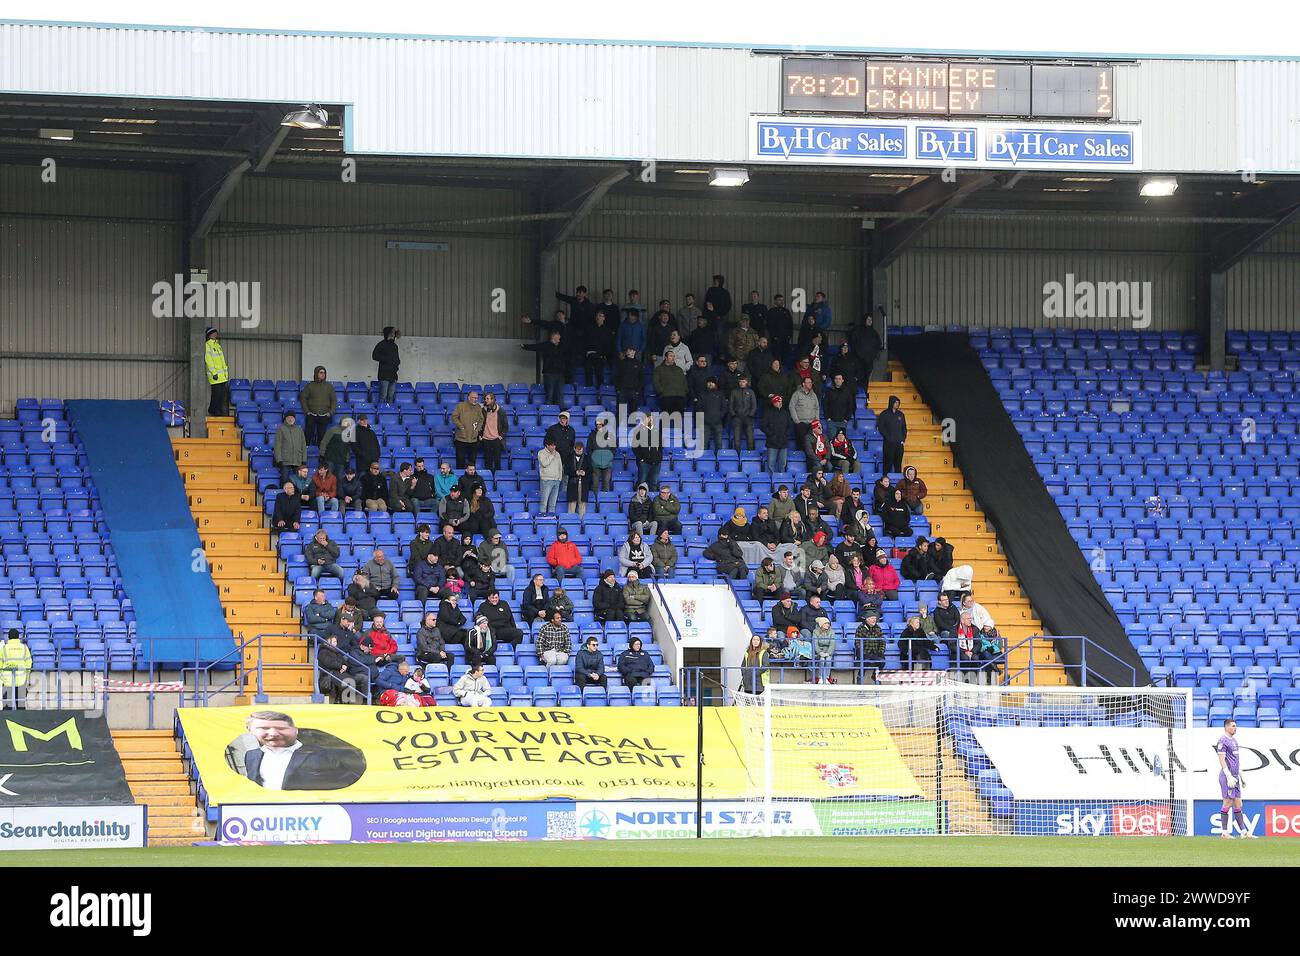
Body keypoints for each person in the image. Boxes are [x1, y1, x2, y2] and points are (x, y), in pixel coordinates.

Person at [241, 711, 365, 790]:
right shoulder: (251, 756)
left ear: (295, 730)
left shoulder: (324, 754)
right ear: (250, 730)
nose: (273, 734)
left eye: (281, 728)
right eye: (264, 728)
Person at [1217, 719, 1255, 839]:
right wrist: (1227, 774)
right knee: (1228, 802)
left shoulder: (1234, 740)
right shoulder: (1222, 740)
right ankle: (1224, 832)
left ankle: (1243, 832)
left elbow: (1235, 760)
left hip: (1235, 776)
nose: (1235, 728)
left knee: (1238, 803)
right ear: (1227, 727)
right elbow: (1222, 758)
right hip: (1228, 777)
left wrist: (1240, 775)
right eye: (1233, 726)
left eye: (1235, 726)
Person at [522, 328, 567, 406]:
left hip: (560, 373)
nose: (559, 339)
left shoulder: (561, 346)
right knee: (550, 393)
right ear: (553, 337)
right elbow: (536, 347)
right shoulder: (546, 345)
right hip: (549, 373)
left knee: (560, 393)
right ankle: (548, 410)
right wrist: (525, 346)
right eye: (558, 337)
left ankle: (561, 410)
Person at [317, 633, 363, 704]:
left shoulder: (337, 652)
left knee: (351, 680)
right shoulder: (323, 651)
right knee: (347, 681)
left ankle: (346, 700)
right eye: (334, 641)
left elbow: (344, 662)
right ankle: (341, 700)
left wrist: (344, 667)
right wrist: (340, 666)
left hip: (339, 672)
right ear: (328, 641)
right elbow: (328, 663)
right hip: (329, 673)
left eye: (336, 642)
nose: (336, 643)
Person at [299, 365, 337, 448]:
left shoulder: (329, 386)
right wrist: (307, 411)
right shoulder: (310, 386)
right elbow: (303, 397)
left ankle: (321, 456)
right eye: (321, 373)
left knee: (322, 437)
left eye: (324, 373)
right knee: (308, 436)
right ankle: (306, 453)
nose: (323, 374)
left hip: (324, 416)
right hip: (311, 415)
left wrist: (330, 412)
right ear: (316, 374)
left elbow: (334, 400)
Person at [451, 390, 485, 469]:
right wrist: (461, 427)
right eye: (473, 398)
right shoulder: (460, 406)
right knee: (460, 459)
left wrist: (477, 429)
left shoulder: (478, 407)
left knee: (472, 460)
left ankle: (471, 478)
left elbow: (481, 420)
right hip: (461, 438)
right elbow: (454, 417)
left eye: (476, 398)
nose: (475, 399)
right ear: (468, 397)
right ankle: (460, 477)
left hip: (473, 439)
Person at [273, 411, 307, 485]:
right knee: (284, 478)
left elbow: (303, 445)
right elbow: (277, 445)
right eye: (288, 417)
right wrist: (279, 460)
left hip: (297, 460)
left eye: (292, 417)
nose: (290, 419)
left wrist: (304, 459)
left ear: (294, 419)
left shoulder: (299, 429)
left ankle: (297, 495)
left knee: (299, 479)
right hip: (285, 460)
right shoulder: (281, 429)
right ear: (285, 419)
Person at [477, 392, 509, 472]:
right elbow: (478, 424)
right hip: (485, 439)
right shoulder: (482, 411)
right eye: (485, 399)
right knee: (488, 461)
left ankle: (497, 479)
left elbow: (506, 427)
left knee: (497, 461)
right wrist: (479, 435)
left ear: (493, 400)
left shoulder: (501, 412)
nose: (486, 400)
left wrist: (501, 436)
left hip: (496, 439)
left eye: (488, 399)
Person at [0, 628, 31, 708]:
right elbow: (29, 663)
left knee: (7, 708)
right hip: (21, 680)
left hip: (8, 681)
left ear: (9, 637)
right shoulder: (24, 648)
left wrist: (2, 676)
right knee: (21, 707)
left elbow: (0, 664)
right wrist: (26, 676)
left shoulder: (4, 648)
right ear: (18, 637)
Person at [876, 395, 907, 474]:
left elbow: (904, 428)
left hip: (899, 444)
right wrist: (888, 438)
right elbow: (881, 428)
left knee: (898, 464)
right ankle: (886, 481)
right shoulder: (884, 414)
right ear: (891, 403)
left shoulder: (901, 414)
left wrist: (903, 439)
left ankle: (897, 482)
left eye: (898, 403)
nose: (897, 404)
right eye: (895, 402)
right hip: (888, 444)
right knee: (887, 464)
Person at [631, 413, 663, 491]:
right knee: (642, 482)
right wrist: (641, 459)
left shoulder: (656, 430)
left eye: (652, 419)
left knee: (654, 482)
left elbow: (661, 446)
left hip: (656, 462)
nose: (651, 420)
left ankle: (653, 500)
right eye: (649, 418)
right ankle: (638, 500)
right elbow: (634, 447)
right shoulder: (638, 431)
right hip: (644, 462)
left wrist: (659, 458)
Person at [761, 394, 791, 473]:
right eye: (778, 401)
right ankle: (771, 482)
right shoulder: (768, 413)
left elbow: (789, 425)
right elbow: (763, 426)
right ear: (774, 403)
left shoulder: (786, 413)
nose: (780, 403)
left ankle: (782, 481)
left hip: (783, 442)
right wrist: (770, 434)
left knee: (783, 464)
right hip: (772, 442)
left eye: (781, 401)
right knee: (771, 465)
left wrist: (786, 434)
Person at [371, 326, 401, 404]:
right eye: (392, 332)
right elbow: (374, 356)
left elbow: (397, 358)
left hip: (393, 375)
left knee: (390, 396)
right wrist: (386, 359)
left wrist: (397, 364)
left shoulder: (395, 346)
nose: (394, 334)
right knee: (383, 396)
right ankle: (381, 413)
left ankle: (389, 414)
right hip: (384, 375)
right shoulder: (381, 344)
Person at [854, 607, 886, 679]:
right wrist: (864, 652)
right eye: (872, 618)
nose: (874, 620)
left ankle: (875, 676)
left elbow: (882, 641)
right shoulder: (860, 628)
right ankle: (860, 678)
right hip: (864, 653)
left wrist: (881, 652)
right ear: (867, 619)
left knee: (882, 661)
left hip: (876, 653)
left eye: (875, 618)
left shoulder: (878, 628)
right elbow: (857, 642)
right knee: (865, 662)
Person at [588, 415, 616, 495]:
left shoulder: (610, 435)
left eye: (600, 424)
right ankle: (595, 502)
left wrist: (609, 458)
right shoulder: (592, 435)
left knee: (606, 483)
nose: (599, 426)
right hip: (595, 464)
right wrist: (593, 459)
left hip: (607, 464)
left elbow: (614, 449)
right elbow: (589, 449)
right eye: (597, 424)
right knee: (595, 484)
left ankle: (605, 502)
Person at [728, 374, 757, 451]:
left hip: (748, 418)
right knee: (737, 440)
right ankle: (737, 457)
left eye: (743, 381)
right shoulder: (734, 392)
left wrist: (750, 415)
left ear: (746, 382)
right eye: (740, 381)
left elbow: (754, 405)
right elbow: (730, 405)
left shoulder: (751, 392)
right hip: (737, 418)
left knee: (750, 440)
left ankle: (750, 457)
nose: (741, 383)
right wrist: (734, 415)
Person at [537, 437, 564, 515]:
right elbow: (544, 463)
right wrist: (552, 455)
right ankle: (542, 519)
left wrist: (560, 478)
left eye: (554, 445)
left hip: (556, 481)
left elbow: (560, 466)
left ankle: (551, 519)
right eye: (552, 445)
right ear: (547, 445)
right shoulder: (541, 453)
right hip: (546, 480)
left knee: (553, 503)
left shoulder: (557, 454)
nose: (554, 447)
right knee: (544, 502)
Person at [566, 441, 593, 516]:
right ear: (574, 449)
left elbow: (590, 470)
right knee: (572, 505)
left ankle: (581, 525)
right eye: (578, 450)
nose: (579, 451)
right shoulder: (569, 457)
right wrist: (575, 473)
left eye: (580, 450)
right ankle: (571, 522)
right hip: (572, 484)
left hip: (583, 484)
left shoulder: (587, 458)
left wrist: (585, 473)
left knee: (582, 505)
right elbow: (566, 470)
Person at [809, 617, 836, 684]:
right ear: (821, 624)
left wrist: (828, 653)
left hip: (828, 651)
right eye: (826, 623)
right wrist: (820, 652)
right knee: (822, 660)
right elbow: (815, 644)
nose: (828, 625)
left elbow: (832, 643)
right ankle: (820, 677)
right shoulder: (815, 632)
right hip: (819, 652)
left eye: (828, 623)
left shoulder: (832, 632)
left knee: (828, 660)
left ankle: (826, 678)